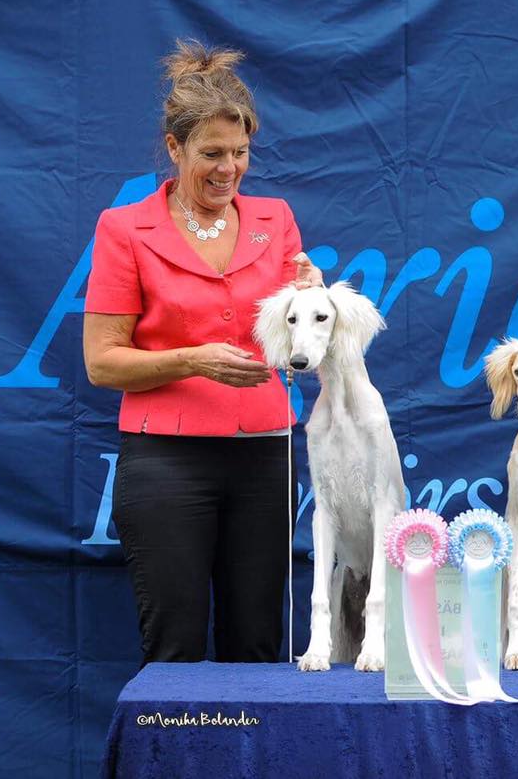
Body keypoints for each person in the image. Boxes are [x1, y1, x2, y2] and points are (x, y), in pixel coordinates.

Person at [83, 40, 322, 664]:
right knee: (174, 645)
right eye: (211, 153)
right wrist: (191, 359)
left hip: (265, 458)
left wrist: (314, 308)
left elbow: (302, 344)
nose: (229, 168)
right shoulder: (124, 229)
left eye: (241, 153)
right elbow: (102, 362)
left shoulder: (278, 220)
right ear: (173, 148)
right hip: (166, 461)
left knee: (259, 642)